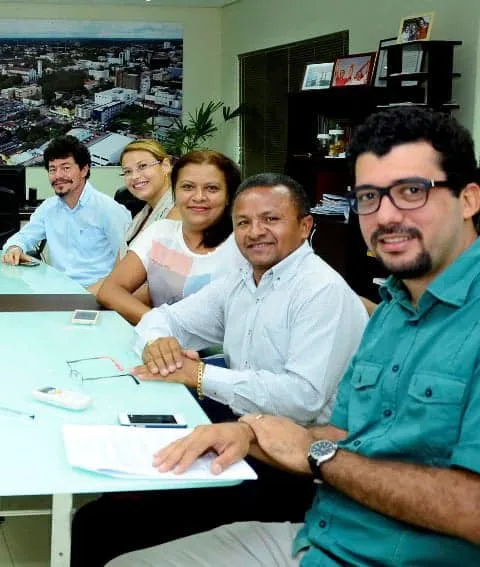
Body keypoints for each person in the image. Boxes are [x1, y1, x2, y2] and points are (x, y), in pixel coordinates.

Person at [107, 107, 480, 567]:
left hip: (340, 519)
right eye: (368, 197)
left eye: (410, 191)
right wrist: (245, 431)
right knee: (114, 525)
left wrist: (313, 453)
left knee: (114, 530)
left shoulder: (323, 290)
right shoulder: (393, 311)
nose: (386, 216)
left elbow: (309, 416)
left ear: (468, 199)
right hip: (324, 530)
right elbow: (350, 432)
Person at [71, 173, 368, 567]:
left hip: (292, 463)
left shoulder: (320, 291)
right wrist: (161, 345)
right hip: (241, 430)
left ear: (305, 226)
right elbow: (163, 321)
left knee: (101, 526)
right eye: (243, 222)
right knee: (115, 491)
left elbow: (301, 398)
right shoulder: (242, 280)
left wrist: (197, 376)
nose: (254, 232)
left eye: (271, 220)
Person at [98, 150, 243, 325]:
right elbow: (110, 290)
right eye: (187, 187)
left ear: (229, 196)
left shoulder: (244, 245)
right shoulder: (160, 232)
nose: (198, 197)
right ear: (174, 191)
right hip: (161, 344)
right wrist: (162, 326)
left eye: (211, 188)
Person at [1, 135, 131, 292]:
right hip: (58, 292)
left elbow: (127, 265)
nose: (58, 176)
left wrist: (98, 295)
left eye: (66, 168)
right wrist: (15, 248)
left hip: (98, 294)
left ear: (84, 170)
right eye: (52, 169)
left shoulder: (109, 210)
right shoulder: (48, 208)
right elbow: (22, 237)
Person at [119, 140, 179, 245]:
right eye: (128, 171)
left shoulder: (179, 212)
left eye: (142, 166)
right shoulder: (143, 212)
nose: (134, 176)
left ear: (165, 166)